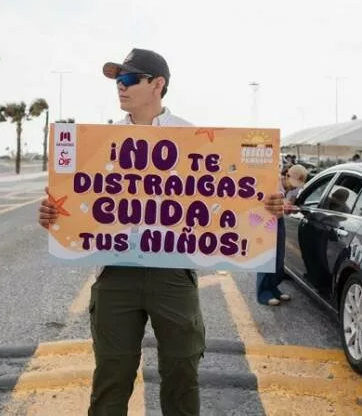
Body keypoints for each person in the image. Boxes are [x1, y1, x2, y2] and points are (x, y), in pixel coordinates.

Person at [38, 48, 285, 416]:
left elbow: (229, 192)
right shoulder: (100, 139)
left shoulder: (193, 137)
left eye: (128, 79)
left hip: (174, 272)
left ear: (158, 85)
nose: (119, 88)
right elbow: (76, 196)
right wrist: (52, 214)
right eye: (116, 80)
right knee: (112, 373)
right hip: (115, 273)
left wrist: (268, 206)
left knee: (182, 369)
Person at [256, 164, 308, 306]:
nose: (294, 188)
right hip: (265, 221)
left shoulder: (295, 189)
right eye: (294, 184)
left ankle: (274, 288)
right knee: (266, 257)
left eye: (298, 185)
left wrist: (290, 209)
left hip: (279, 220)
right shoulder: (272, 183)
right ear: (286, 176)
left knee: (279, 257)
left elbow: (287, 208)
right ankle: (263, 293)